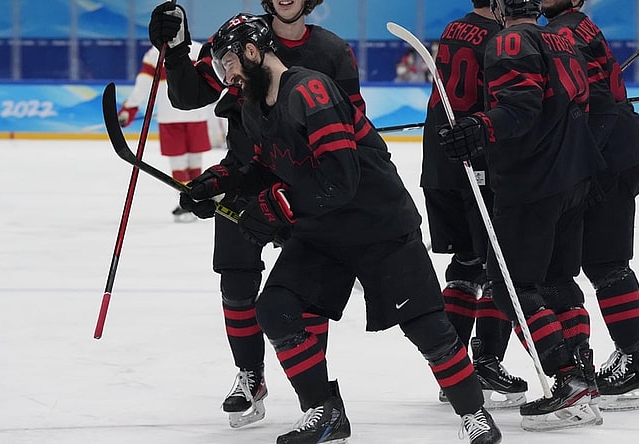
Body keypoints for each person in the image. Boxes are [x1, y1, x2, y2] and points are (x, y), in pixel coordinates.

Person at [190, 14, 502, 444]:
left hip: (379, 226)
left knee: (429, 330)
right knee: (275, 308)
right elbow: (266, 166)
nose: (227, 78)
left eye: (228, 64)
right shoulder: (255, 106)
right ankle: (325, 411)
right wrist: (218, 183)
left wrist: (271, 208)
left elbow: (340, 179)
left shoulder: (310, 91)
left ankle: (474, 413)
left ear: (251, 51)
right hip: (323, 232)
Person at [147, 0, 364, 428]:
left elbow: (354, 118)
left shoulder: (332, 50)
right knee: (236, 279)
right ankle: (251, 376)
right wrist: (174, 51)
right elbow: (189, 95)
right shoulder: (237, 38)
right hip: (246, 177)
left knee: (308, 290)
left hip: (305, 184)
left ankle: (316, 392)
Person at [439, 0, 607, 430]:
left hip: (533, 182)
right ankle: (583, 375)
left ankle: (566, 379)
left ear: (500, 7)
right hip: (574, 177)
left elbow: (520, 107)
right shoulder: (560, 38)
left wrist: (480, 127)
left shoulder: (510, 39)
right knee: (557, 281)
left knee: (511, 285)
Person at [543, 0, 639, 412]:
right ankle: (635, 358)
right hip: (620, 150)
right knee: (602, 262)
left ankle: (638, 366)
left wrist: (588, 167)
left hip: (608, 157)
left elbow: (595, 106)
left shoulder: (564, 30)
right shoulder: (574, 25)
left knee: (606, 262)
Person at [422, 0, 527, 409]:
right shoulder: (503, 39)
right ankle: (485, 362)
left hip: (439, 163)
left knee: (465, 264)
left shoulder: (453, 29)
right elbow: (508, 106)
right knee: (497, 263)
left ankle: (454, 370)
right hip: (476, 162)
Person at [117, 42, 212, 223]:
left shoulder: (156, 53)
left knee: (179, 163)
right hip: (196, 113)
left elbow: (142, 86)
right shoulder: (199, 49)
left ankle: (188, 203)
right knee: (194, 162)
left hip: (171, 115)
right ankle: (196, 200)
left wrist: (129, 108)